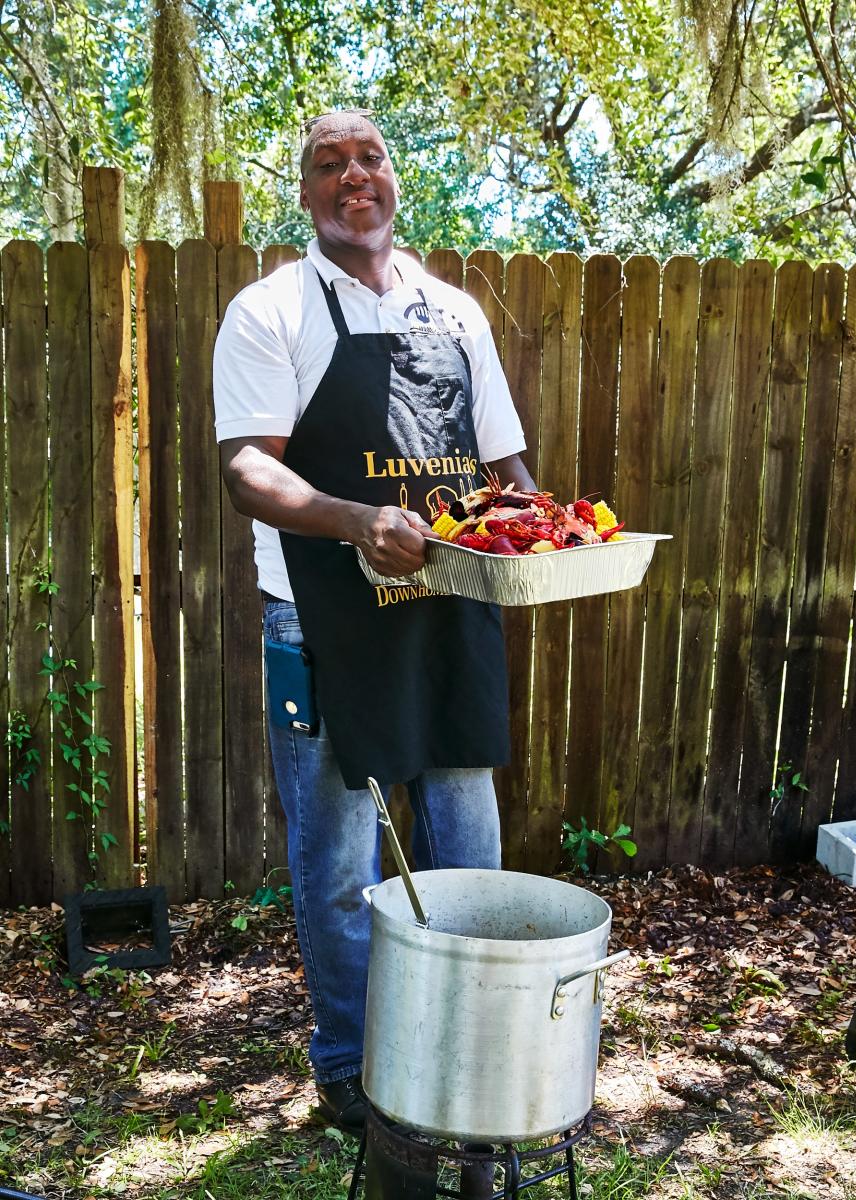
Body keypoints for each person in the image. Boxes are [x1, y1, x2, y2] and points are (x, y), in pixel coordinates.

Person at [213, 110, 536, 1133]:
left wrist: (546, 527)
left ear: (395, 179)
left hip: (450, 612)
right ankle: (352, 1063)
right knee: (341, 864)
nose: (355, 176)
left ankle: (471, 1040)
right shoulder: (270, 311)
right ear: (305, 196)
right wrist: (356, 520)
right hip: (321, 623)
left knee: (469, 850)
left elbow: (503, 467)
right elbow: (248, 468)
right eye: (328, 164)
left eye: (372, 158)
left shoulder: (456, 313)